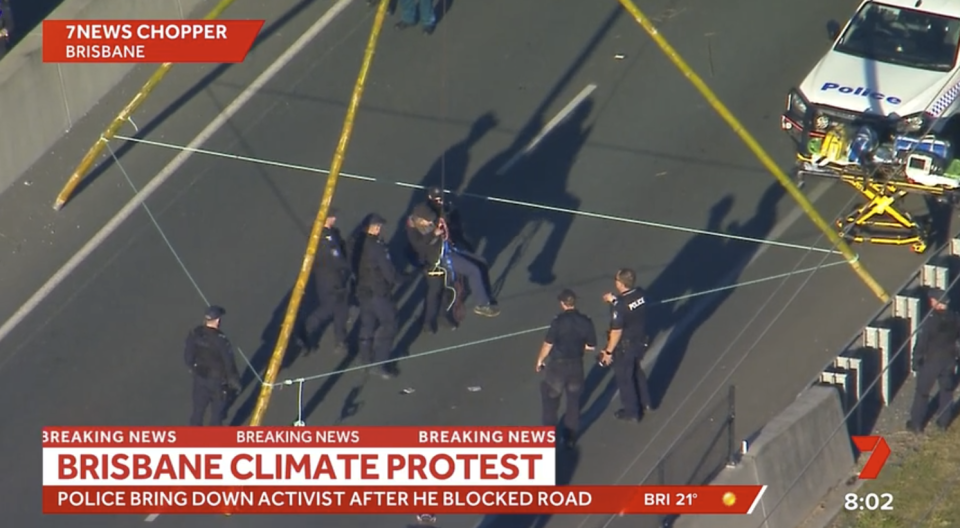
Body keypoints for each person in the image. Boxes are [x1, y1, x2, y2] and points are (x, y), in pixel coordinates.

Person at [407, 202, 500, 318]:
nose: (431, 222)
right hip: (439, 258)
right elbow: (421, 246)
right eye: (428, 220)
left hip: (449, 249)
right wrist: (434, 235)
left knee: (481, 261)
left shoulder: (429, 223)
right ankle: (481, 304)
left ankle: (485, 293)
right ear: (420, 220)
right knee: (473, 270)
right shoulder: (413, 232)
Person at [536, 289, 597, 449]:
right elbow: (591, 346)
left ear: (562, 304)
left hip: (557, 366)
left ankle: (548, 437)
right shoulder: (586, 321)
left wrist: (540, 360)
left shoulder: (558, 322)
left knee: (550, 403)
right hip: (576, 365)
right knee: (573, 402)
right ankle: (569, 437)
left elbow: (548, 344)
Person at [599, 268, 654, 422]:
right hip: (640, 341)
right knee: (637, 371)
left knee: (624, 378)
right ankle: (646, 402)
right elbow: (630, 304)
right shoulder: (641, 294)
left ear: (621, 284)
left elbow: (616, 331)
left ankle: (632, 411)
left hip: (625, 345)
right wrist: (615, 300)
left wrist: (608, 352)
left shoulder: (619, 306)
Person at [296, 207, 351, 355]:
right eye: (332, 217)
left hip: (332, 277)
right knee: (329, 307)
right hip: (329, 278)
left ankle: (341, 340)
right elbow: (337, 258)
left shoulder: (330, 234)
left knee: (342, 309)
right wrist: (348, 266)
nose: (335, 219)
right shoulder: (324, 238)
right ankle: (306, 329)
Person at [353, 214, 400, 379]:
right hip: (378, 290)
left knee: (367, 324)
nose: (379, 229)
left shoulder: (356, 243)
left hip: (363, 289)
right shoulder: (377, 247)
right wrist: (396, 279)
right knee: (390, 324)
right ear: (369, 227)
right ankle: (379, 362)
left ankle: (365, 359)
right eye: (376, 226)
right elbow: (387, 269)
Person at [907, 287, 960, 433]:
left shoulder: (930, 321)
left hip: (931, 361)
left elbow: (922, 343)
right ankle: (943, 422)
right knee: (947, 391)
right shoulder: (955, 317)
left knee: (922, 393)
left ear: (935, 302)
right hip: (949, 359)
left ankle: (916, 423)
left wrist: (915, 361)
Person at [183, 306, 241, 426]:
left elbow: (188, 356)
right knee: (217, 414)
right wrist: (234, 380)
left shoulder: (195, 333)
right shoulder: (220, 340)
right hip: (217, 382)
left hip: (200, 378)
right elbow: (228, 362)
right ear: (217, 320)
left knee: (197, 412)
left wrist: (193, 369)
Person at [425, 186, 473, 252]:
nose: (439, 202)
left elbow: (455, 216)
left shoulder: (448, 206)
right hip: (438, 231)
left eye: (440, 200)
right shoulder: (427, 209)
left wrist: (450, 221)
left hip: (451, 227)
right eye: (436, 200)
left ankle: (471, 251)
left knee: (462, 238)